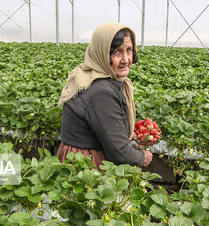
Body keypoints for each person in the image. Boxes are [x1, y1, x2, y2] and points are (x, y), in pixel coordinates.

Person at [57, 22, 154, 170]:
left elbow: (101, 123)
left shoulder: (88, 74)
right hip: (86, 163)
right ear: (102, 52)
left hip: (76, 155)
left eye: (129, 50)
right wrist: (142, 157)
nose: (126, 59)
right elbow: (119, 152)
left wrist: (130, 133)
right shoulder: (101, 91)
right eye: (116, 52)